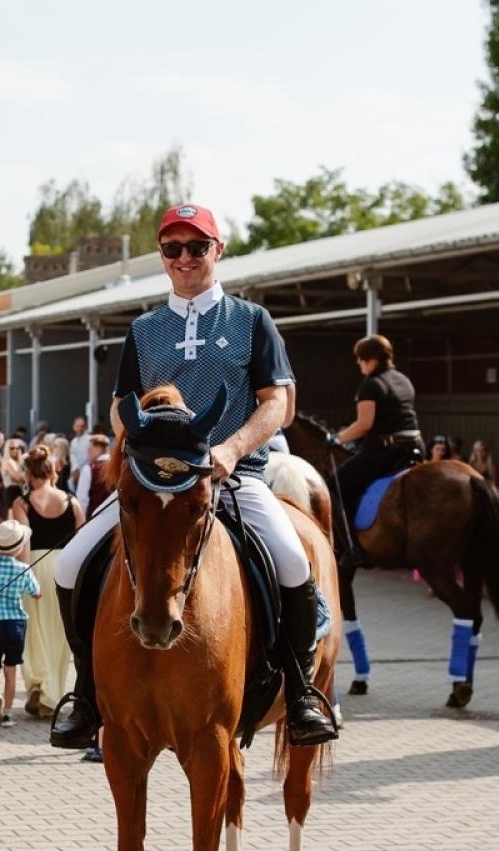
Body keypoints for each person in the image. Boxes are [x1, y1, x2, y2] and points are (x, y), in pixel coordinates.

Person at [51, 202, 337, 750]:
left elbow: (277, 404)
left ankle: (301, 692)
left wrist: (230, 450)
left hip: (232, 475)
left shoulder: (251, 320)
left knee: (294, 561)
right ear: (161, 256)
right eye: (173, 248)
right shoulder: (143, 329)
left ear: (218, 250)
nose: (185, 258)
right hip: (156, 481)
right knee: (68, 565)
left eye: (196, 247)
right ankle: (86, 692)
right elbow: (119, 407)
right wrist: (135, 444)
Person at [329, 335, 425, 568]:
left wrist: (335, 438)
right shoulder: (403, 379)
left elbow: (364, 425)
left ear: (370, 359)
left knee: (335, 486)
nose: (359, 364)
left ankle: (352, 548)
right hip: (414, 447)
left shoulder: (370, 386)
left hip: (385, 450)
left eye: (360, 359)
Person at [11, 444, 84, 717]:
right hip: (64, 569)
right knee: (59, 635)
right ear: (53, 471)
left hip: (35, 567)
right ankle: (52, 695)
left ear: (29, 474)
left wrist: (22, 575)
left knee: (34, 632)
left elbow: (23, 546)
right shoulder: (72, 502)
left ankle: (38, 686)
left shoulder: (22, 504)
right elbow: (81, 543)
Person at [0, 519, 42, 727]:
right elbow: (36, 593)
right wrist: (38, 593)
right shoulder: (23, 569)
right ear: (19, 547)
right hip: (16, 625)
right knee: (10, 670)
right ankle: (8, 714)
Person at [77, 433, 113, 516]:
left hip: (95, 520)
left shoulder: (89, 469)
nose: (88, 453)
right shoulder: (119, 466)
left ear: (98, 449)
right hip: (117, 521)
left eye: (90, 449)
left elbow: (82, 500)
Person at [0, 438, 26, 521]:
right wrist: (24, 477)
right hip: (11, 490)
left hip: (19, 490)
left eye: (17, 448)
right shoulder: (6, 461)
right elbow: (18, 478)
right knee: (12, 517)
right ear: (7, 449)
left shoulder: (19, 461)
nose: (15, 450)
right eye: (12, 448)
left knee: (19, 518)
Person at [67, 415, 90, 494]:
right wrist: (75, 470)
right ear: (74, 427)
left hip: (86, 473)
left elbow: (89, 457)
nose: (80, 428)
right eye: (78, 426)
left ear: (85, 427)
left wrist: (80, 470)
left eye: (82, 426)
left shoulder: (89, 440)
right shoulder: (73, 442)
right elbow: (72, 457)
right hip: (75, 474)